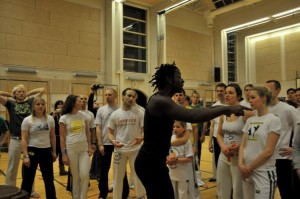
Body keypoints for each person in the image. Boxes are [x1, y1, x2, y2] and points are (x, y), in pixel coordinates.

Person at [134, 63, 249, 199]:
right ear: (170, 79)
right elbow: (192, 115)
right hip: (150, 163)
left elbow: (196, 111)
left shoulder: (162, 99)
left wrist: (224, 107)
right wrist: (226, 109)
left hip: (153, 162)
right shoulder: (161, 101)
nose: (182, 80)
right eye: (179, 77)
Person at [0, 84, 44, 198]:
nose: (21, 93)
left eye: (22, 92)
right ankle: (9, 189)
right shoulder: (10, 103)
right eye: (18, 92)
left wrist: (27, 94)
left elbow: (42, 89)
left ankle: (30, 190)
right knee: (12, 167)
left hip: (30, 140)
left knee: (30, 166)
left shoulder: (30, 102)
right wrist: (10, 95)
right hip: (15, 139)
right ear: (15, 94)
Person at [239, 87, 281, 199]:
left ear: (264, 98)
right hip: (247, 173)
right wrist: (241, 165)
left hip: (263, 173)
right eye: (249, 98)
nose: (250, 100)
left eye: (253, 97)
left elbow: (269, 151)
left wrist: (249, 167)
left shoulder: (273, 120)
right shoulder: (249, 120)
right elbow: (243, 145)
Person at [216, 83, 253, 199]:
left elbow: (251, 136)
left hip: (238, 157)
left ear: (238, 96)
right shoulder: (224, 113)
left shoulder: (246, 114)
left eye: (230, 93)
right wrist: (223, 147)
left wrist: (239, 146)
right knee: (222, 188)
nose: (226, 95)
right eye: (226, 93)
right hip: (224, 155)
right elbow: (219, 135)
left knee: (238, 191)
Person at [108, 88, 146, 199]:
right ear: (123, 97)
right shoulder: (115, 114)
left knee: (139, 176)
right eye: (129, 96)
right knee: (117, 178)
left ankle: (141, 197)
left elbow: (144, 130)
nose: (131, 98)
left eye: (133, 97)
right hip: (120, 150)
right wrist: (113, 141)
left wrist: (142, 138)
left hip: (136, 149)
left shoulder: (140, 112)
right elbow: (110, 133)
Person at [265, 80, 300, 199]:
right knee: (266, 192)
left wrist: (294, 148)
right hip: (264, 157)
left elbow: (299, 127)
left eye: (269, 90)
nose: (266, 93)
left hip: (281, 157)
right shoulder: (263, 109)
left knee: (286, 191)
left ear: (277, 91)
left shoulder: (287, 109)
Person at [21, 97, 57, 198]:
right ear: (33, 106)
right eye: (38, 104)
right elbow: (24, 138)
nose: (40, 106)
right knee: (28, 178)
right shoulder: (27, 120)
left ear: (45, 105)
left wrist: (54, 151)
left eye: (42, 104)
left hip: (46, 150)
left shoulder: (50, 119)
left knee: (49, 178)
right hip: (32, 150)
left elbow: (53, 136)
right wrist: (25, 156)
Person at [59, 95, 94, 199]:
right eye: (79, 101)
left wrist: (90, 146)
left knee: (84, 174)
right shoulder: (64, 118)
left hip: (84, 149)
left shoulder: (84, 116)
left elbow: (87, 132)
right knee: (75, 176)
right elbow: (62, 137)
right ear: (73, 103)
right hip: (71, 149)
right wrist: (63, 154)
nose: (82, 102)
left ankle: (83, 197)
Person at [167, 121, 195, 199]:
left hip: (183, 173)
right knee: (172, 192)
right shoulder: (171, 138)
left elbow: (189, 158)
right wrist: (168, 159)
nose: (175, 129)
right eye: (174, 127)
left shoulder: (187, 142)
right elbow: (166, 152)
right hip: (171, 172)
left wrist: (176, 160)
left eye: (178, 127)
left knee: (182, 193)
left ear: (184, 129)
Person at [208, 82, 226, 182]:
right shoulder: (214, 106)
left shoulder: (230, 105)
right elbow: (212, 125)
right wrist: (210, 141)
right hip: (216, 138)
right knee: (218, 162)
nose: (219, 93)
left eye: (221, 91)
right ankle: (220, 185)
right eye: (217, 91)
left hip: (228, 138)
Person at [50, 100, 68, 176]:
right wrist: (53, 115)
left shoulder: (65, 115)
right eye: (58, 104)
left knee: (62, 154)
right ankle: (49, 172)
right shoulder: (52, 114)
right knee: (53, 154)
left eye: (61, 104)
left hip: (63, 137)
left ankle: (62, 170)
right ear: (56, 106)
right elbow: (49, 123)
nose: (60, 106)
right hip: (54, 137)